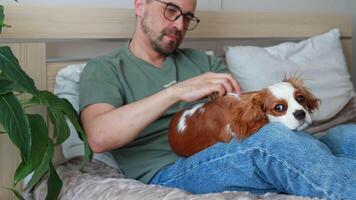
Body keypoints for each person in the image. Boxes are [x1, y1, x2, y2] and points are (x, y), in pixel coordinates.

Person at [79, 0, 356, 199]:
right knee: (272, 142)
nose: (179, 24)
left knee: (345, 136)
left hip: (229, 148)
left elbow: (249, 118)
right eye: (171, 10)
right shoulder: (105, 68)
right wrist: (175, 92)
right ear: (140, 5)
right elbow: (98, 137)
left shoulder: (203, 62)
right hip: (168, 170)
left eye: (187, 17)